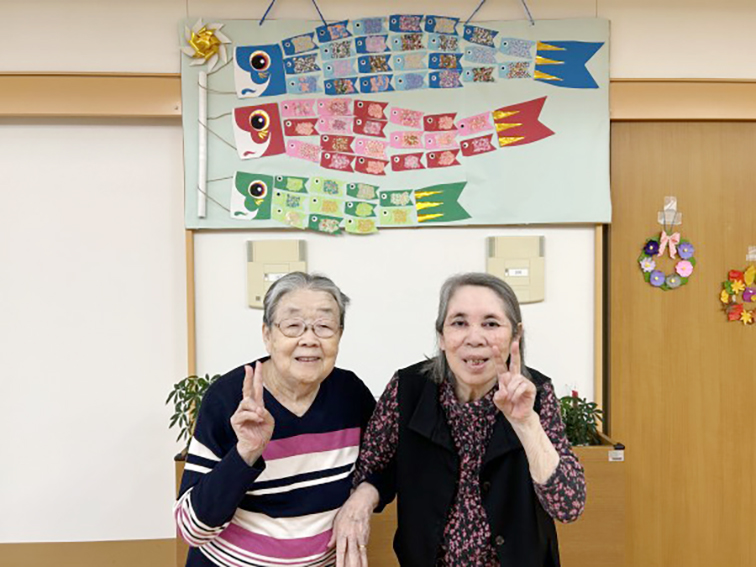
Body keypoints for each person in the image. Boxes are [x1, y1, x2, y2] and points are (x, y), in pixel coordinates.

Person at [333, 272, 587, 567]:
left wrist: (527, 424)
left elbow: (568, 507)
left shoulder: (536, 394)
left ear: (515, 336)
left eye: (491, 323)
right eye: (459, 323)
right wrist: (363, 498)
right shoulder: (408, 389)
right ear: (441, 336)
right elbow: (374, 467)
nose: (475, 338)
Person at [174, 272, 381, 567]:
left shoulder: (350, 393)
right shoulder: (230, 399)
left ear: (339, 335)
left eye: (324, 326)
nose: (309, 340)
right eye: (293, 326)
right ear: (268, 335)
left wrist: (363, 497)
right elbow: (191, 528)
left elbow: (384, 463)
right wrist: (246, 454)